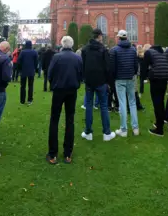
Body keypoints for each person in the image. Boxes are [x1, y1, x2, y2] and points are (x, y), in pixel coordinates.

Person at [46, 36, 83, 164]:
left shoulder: (57, 57)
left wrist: (54, 83)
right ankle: (67, 153)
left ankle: (53, 154)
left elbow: (49, 74)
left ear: (62, 44)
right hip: (72, 90)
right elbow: (81, 75)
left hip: (58, 90)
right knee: (70, 120)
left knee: (54, 119)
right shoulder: (77, 58)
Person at [80, 28, 115, 142]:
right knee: (104, 107)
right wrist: (109, 83)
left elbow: (83, 66)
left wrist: (84, 78)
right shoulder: (103, 49)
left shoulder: (85, 49)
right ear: (99, 36)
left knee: (89, 106)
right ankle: (107, 133)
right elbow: (108, 68)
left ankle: (88, 132)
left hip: (89, 82)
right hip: (101, 82)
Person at [110, 30, 139, 137]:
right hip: (130, 78)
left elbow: (112, 67)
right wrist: (133, 74)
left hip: (120, 79)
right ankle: (135, 128)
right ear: (127, 37)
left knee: (122, 103)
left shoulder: (114, 50)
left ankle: (124, 129)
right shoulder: (132, 49)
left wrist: (113, 78)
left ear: (119, 38)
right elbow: (136, 66)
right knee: (132, 103)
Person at [143, 44, 168, 136]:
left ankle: (159, 129)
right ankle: (160, 123)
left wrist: (146, 77)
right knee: (161, 102)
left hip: (155, 79)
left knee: (157, 103)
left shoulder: (149, 52)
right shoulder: (163, 53)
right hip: (164, 79)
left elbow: (144, 66)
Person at [18, 40, 38, 105]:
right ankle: (30, 100)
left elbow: (19, 61)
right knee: (30, 86)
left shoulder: (22, 52)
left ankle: (22, 100)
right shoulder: (34, 52)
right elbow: (36, 62)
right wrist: (34, 68)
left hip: (23, 71)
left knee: (23, 86)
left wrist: (20, 69)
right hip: (31, 71)